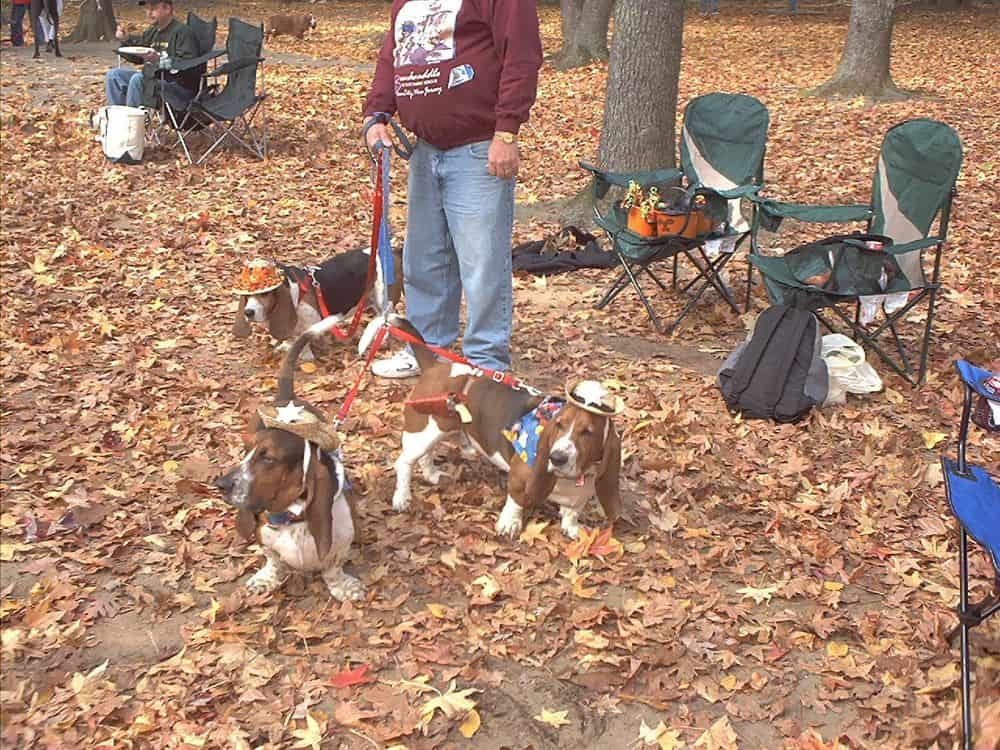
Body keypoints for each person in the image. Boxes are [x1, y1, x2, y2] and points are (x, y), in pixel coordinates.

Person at [361, 0, 543, 378]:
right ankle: (427, 351)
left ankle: (486, 364)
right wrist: (376, 115)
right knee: (424, 260)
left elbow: (521, 55)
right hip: (425, 150)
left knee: (482, 262)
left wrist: (507, 131)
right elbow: (391, 56)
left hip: (478, 148)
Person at [104, 0, 199, 109]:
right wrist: (126, 39)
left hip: (180, 87)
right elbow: (138, 56)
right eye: (146, 9)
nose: (148, 13)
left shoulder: (183, 32)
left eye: (153, 9)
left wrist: (159, 60)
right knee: (114, 75)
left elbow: (188, 64)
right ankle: (119, 119)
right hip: (154, 79)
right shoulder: (152, 32)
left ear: (167, 9)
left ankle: (133, 123)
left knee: (139, 79)